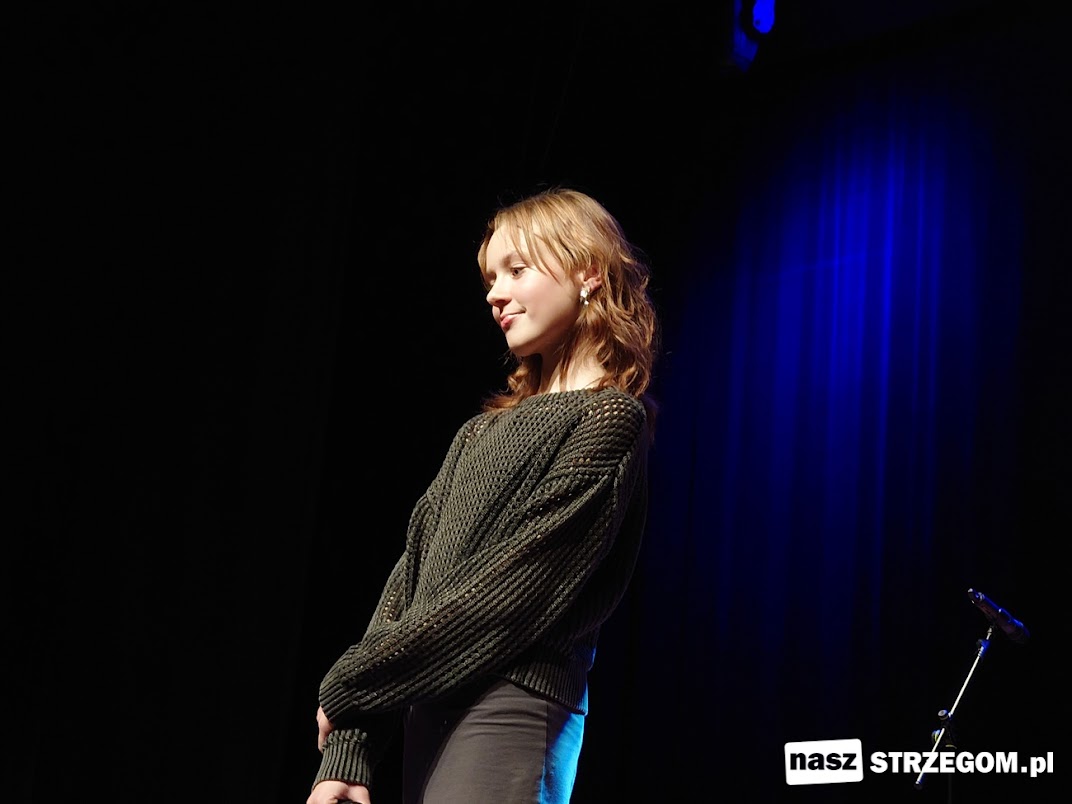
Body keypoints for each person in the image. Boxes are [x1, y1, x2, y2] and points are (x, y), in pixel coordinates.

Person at [306, 186, 660, 804]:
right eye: (491, 278)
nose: (495, 293)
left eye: (516, 270)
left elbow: (513, 591)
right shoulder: (478, 433)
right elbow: (410, 581)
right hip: (428, 706)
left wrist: (350, 684)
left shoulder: (609, 420)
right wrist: (351, 749)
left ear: (589, 273)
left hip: (512, 708)